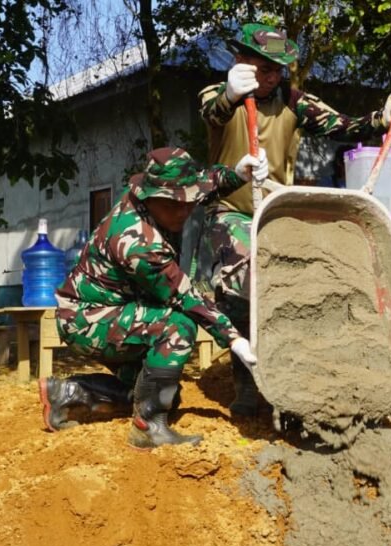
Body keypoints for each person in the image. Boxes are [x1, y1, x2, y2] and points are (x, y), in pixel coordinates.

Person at [196, 23, 391, 415]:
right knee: (245, 277)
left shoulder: (292, 102)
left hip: (279, 211)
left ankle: (322, 371)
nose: (271, 77)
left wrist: (382, 118)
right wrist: (231, 92)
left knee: (322, 274)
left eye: (278, 70)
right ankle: (247, 381)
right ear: (241, 60)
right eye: (263, 69)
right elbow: (213, 112)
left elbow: (342, 125)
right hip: (231, 210)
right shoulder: (217, 95)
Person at [40, 147, 268, 449]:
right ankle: (148, 429)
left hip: (119, 309)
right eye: (174, 205)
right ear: (151, 196)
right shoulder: (135, 240)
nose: (183, 212)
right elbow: (184, 295)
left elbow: (204, 184)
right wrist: (235, 339)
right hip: (88, 319)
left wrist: (237, 174)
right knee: (179, 326)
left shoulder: (168, 196)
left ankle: (68, 393)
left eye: (187, 203)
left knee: (163, 394)